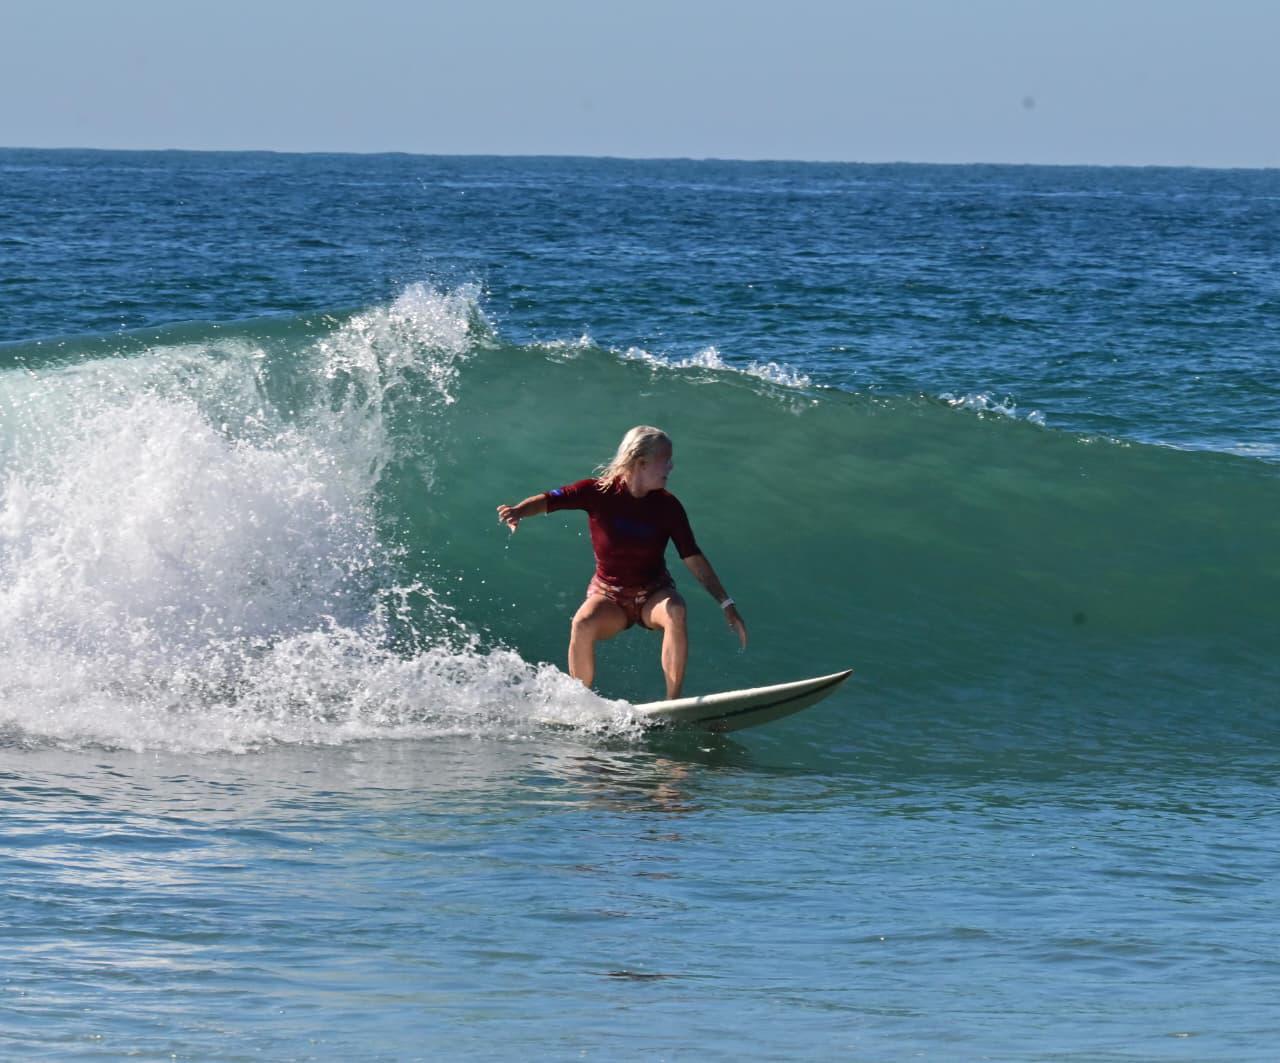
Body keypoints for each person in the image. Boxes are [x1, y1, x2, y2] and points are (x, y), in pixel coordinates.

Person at [497, 426, 747, 699]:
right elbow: (551, 500)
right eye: (666, 460)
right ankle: (579, 703)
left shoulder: (668, 506)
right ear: (641, 462)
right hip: (610, 597)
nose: (671, 467)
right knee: (582, 622)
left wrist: (726, 603)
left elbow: (692, 556)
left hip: (653, 594)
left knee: (675, 609)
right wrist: (519, 511)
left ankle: (672, 702)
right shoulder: (597, 492)